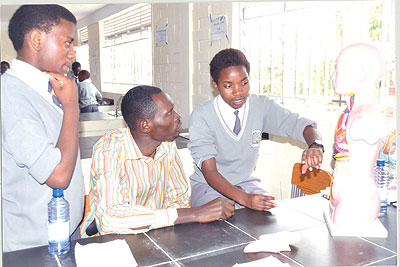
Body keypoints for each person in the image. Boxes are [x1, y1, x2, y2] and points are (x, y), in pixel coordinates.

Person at [80, 85, 235, 237]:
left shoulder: (167, 145)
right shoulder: (109, 149)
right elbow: (110, 218)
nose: (178, 116)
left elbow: (178, 197)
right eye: (169, 113)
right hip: (110, 240)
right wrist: (193, 213)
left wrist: (169, 219)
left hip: (156, 232)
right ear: (146, 125)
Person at [188, 48, 324, 211]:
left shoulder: (261, 106)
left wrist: (315, 145)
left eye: (244, 82)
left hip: (245, 183)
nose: (238, 91)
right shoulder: (202, 116)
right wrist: (244, 199)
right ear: (216, 85)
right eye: (228, 85)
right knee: (223, 221)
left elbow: (301, 125)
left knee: (267, 217)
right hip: (208, 187)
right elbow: (210, 172)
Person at [1, 5, 84, 252]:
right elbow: (58, 176)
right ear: (37, 39)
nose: (72, 53)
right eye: (67, 43)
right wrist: (72, 107)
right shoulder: (10, 96)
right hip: (32, 246)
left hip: (62, 233)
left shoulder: (47, 88)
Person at [329, 43, 384, 227]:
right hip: (343, 194)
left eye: (338, 70)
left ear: (361, 74)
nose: (333, 76)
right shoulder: (350, 111)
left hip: (357, 201)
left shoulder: (366, 119)